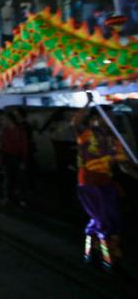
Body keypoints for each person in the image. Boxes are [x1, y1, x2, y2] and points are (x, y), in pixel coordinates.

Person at [72, 104, 128, 270]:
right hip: (89, 182)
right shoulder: (86, 134)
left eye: (112, 117)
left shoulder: (113, 138)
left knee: (112, 218)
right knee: (102, 220)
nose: (111, 120)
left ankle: (93, 251)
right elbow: (74, 122)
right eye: (107, 116)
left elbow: (122, 163)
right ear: (95, 119)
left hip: (106, 182)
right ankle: (106, 257)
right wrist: (88, 103)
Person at [0, 112, 28, 205]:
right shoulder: (5, 131)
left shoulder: (19, 131)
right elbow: (2, 144)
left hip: (17, 157)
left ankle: (21, 198)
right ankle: (7, 197)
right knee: (8, 178)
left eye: (4, 119)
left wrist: (24, 160)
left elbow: (24, 146)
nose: (3, 121)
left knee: (19, 179)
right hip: (7, 156)